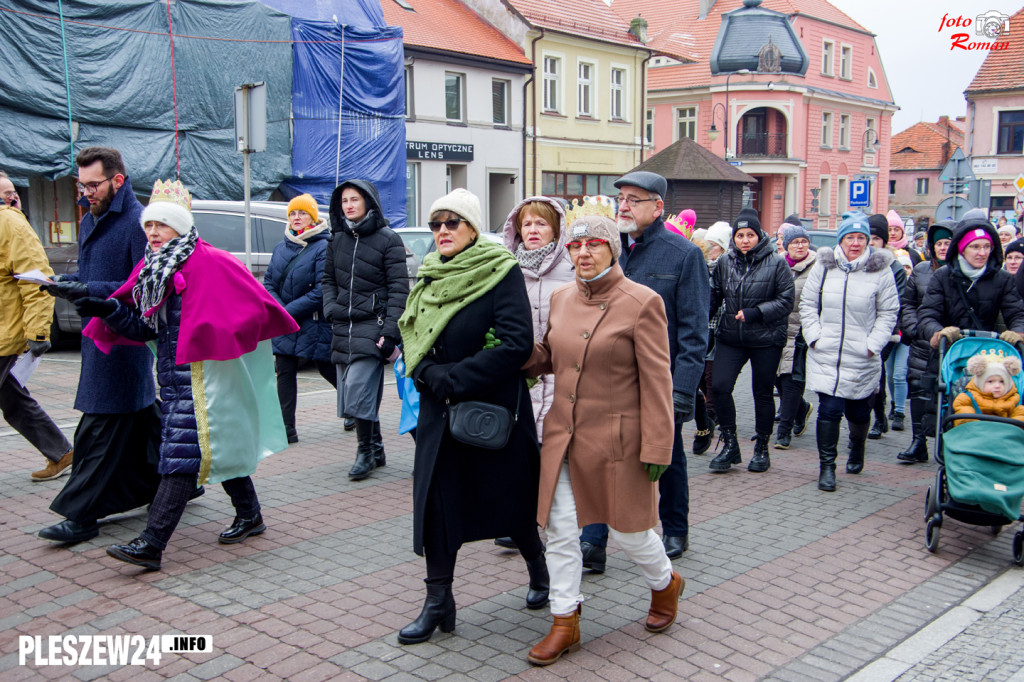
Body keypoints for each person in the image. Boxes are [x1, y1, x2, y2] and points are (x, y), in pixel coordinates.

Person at [76, 180, 297, 570]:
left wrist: (220, 336)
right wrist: (103, 307)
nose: (154, 232)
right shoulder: (152, 267)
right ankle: (250, 514)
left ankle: (152, 542)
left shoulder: (210, 261)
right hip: (175, 378)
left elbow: (256, 306)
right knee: (210, 449)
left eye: (162, 224)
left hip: (207, 378)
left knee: (181, 457)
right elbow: (145, 328)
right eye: (149, 226)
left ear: (180, 225)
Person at [523, 215, 683, 666]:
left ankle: (666, 583)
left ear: (613, 248)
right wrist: (515, 352)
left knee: (631, 533)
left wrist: (658, 446)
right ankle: (564, 620)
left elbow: (657, 381)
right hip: (563, 437)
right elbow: (551, 357)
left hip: (617, 441)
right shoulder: (560, 298)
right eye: (576, 246)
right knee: (558, 531)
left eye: (595, 244)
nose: (584, 253)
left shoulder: (642, 302)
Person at [395, 188, 548, 645]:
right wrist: (425, 370)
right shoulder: (427, 275)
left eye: (452, 223)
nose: (442, 231)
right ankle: (438, 601)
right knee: (437, 508)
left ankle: (539, 569)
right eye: (436, 223)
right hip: (438, 415)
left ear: (472, 228)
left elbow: (517, 343)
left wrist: (453, 378)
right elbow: (413, 333)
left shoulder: (500, 272)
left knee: (511, 505)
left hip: (489, 413)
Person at [579, 170, 709, 568]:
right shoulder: (607, 249)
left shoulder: (684, 255)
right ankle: (594, 541)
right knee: (600, 455)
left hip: (659, 379)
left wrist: (683, 390)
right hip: (609, 379)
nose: (624, 206)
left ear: (658, 207)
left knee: (666, 456)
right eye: (621, 199)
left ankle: (674, 527)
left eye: (635, 200)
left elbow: (694, 332)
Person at [39, 147, 162, 544]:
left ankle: (81, 515)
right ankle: (176, 482)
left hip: (121, 341)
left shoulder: (136, 223)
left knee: (98, 429)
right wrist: (68, 280)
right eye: (82, 184)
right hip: (100, 337)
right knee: (141, 420)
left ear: (118, 180)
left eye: (94, 184)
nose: (86, 192)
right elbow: (97, 271)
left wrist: (86, 288)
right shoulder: (93, 216)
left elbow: (138, 286)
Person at [493, 196, 573, 551]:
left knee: (560, 457)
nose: (533, 230)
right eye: (527, 224)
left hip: (561, 375)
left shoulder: (573, 267)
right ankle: (522, 524)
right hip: (523, 376)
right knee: (522, 454)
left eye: (541, 223)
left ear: (555, 229)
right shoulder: (506, 269)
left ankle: (570, 531)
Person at [800, 213, 900, 491]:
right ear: (840, 239)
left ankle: (857, 445)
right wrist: (815, 336)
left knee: (858, 412)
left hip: (861, 355)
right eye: (849, 237)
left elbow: (889, 312)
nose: (855, 243)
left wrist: (873, 344)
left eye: (861, 238)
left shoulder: (881, 269)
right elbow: (808, 303)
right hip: (827, 352)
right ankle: (827, 467)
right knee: (829, 410)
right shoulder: (824, 265)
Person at [322, 180, 408, 481]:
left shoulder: (388, 240)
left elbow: (399, 289)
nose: (349, 205)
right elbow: (328, 280)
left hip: (374, 325)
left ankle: (365, 452)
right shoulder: (337, 240)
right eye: (344, 200)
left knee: (358, 387)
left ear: (368, 202)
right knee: (351, 392)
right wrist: (330, 307)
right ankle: (376, 446)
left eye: (354, 199)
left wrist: (391, 329)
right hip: (343, 325)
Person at [707, 208, 794, 473]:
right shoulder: (725, 262)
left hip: (766, 338)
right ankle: (731, 443)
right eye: (740, 235)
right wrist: (699, 323)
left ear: (759, 236)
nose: (745, 240)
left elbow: (786, 301)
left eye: (750, 235)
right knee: (720, 387)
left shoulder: (776, 262)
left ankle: (761, 448)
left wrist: (757, 313)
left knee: (762, 393)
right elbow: (714, 296)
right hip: (731, 336)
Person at [0, 201, 74, 479]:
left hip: (4, 332)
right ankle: (60, 452)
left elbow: (36, 281)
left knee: (11, 398)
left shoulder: (10, 224)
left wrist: (38, 332)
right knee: (12, 398)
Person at [264, 194, 335, 444]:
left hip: (312, 321)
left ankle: (353, 409)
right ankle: (287, 427)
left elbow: (320, 291)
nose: (296, 218)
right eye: (293, 213)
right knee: (284, 371)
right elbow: (269, 282)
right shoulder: (281, 246)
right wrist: (281, 309)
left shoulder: (323, 246)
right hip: (286, 321)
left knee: (327, 367)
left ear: (313, 217)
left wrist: (287, 311)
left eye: (302, 213)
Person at [918, 220, 1024, 355]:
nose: (982, 253)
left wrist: (1018, 332)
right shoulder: (942, 276)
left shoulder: (1002, 278)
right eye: (975, 247)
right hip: (950, 354)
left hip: (988, 353)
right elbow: (928, 314)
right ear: (962, 249)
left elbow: (1016, 313)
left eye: (987, 247)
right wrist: (938, 333)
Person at [898, 221, 954, 463]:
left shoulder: (959, 272)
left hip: (951, 345)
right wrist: (913, 328)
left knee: (949, 395)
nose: (943, 248)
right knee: (919, 392)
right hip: (922, 344)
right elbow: (908, 304)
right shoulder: (921, 270)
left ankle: (946, 444)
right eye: (938, 243)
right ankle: (918, 441)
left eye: (948, 243)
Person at [866, 214, 909, 439]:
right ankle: (878, 416)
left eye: (876, 238)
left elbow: (897, 304)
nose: (871, 242)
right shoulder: (859, 263)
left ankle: (878, 418)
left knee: (878, 374)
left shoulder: (895, 267)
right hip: (860, 328)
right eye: (868, 237)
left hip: (886, 331)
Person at [774, 225, 816, 449]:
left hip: (801, 333)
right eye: (795, 242)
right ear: (787, 246)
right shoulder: (777, 264)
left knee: (792, 380)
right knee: (777, 379)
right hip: (777, 331)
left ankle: (784, 431)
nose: (800, 246)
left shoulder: (818, 267)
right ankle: (801, 409)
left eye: (804, 241)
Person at [951, 351, 1024, 426]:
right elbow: (963, 413)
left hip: (1004, 434)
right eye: (990, 381)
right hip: (975, 432)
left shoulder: (1013, 399)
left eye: (1002, 382)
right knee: (965, 412)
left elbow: (1020, 415)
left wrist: (1014, 427)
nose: (997, 386)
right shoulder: (967, 397)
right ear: (980, 383)